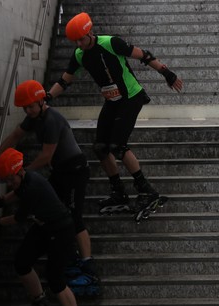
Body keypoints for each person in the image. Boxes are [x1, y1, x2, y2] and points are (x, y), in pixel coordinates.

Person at [46, 12, 183, 214]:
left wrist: (167, 73)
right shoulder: (79, 54)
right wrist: (46, 98)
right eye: (74, 41)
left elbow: (144, 55)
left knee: (118, 146)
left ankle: (147, 191)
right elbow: (65, 81)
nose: (78, 44)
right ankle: (118, 191)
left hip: (131, 97)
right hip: (112, 101)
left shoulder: (111, 43)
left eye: (81, 39)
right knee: (101, 147)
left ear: (90, 32)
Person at [0, 80, 97, 289]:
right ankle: (69, 255)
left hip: (75, 171)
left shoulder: (51, 120)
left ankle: (87, 264)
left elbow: (46, 156)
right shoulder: (34, 117)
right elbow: (15, 136)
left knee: (74, 216)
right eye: (24, 108)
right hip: (59, 172)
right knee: (52, 208)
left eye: (30, 106)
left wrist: (22, 171)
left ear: (40, 102)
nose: (27, 111)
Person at [0, 148, 89, 306]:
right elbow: (15, 193)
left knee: (55, 278)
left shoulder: (33, 187)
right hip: (44, 226)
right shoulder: (25, 178)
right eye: (7, 181)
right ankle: (40, 303)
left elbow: (17, 218)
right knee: (22, 262)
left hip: (61, 230)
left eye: (11, 180)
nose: (10, 184)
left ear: (19, 172)